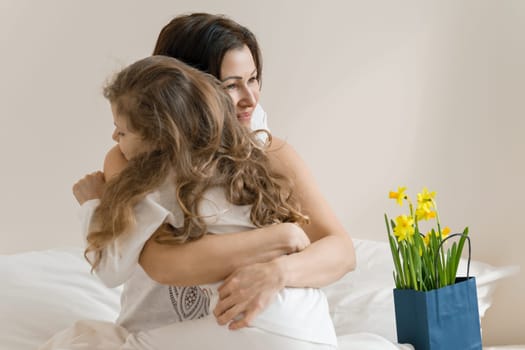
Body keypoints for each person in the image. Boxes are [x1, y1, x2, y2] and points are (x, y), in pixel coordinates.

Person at [42, 55, 337, 349]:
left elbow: (111, 269)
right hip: (313, 323)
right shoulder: (241, 163)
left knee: (85, 341)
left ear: (158, 135)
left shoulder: (155, 181)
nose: (114, 137)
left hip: (258, 325)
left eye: (123, 131)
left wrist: (93, 204)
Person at [100, 12, 356, 330]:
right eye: (232, 86)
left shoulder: (271, 154)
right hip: (157, 334)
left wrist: (278, 272)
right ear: (183, 91)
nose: (250, 99)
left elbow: (341, 251)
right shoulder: (130, 157)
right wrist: (281, 238)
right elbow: (160, 262)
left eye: (253, 79)